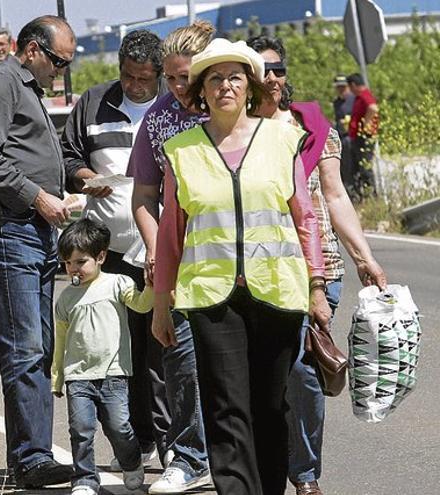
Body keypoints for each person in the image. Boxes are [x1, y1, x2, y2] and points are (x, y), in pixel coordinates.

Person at [151, 38, 332, 495]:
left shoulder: (281, 138)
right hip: (212, 297)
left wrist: (315, 286)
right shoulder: (182, 150)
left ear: (249, 86)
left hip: (276, 290)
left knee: (271, 408)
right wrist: (161, 303)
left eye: (234, 77)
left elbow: (304, 216)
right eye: (214, 78)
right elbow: (172, 232)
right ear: (201, 91)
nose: (225, 86)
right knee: (225, 407)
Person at [249, 35, 388, 495]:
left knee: (305, 376)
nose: (273, 77)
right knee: (265, 376)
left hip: (319, 266)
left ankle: (304, 473)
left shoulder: (311, 125)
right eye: (262, 68)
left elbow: (335, 195)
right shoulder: (235, 130)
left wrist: (363, 256)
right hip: (257, 269)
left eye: (279, 68)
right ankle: (261, 465)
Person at [0, 15, 76, 488]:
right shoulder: (1, 82)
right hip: (11, 227)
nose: (61, 71)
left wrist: (65, 189)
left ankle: (30, 455)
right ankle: (31, 459)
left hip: (33, 227)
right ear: (32, 50)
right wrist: (37, 196)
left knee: (40, 347)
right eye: (58, 61)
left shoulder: (25, 86)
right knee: (26, 347)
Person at [61, 28, 167, 472]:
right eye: (128, 76)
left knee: (158, 349)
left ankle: (171, 443)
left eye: (144, 78)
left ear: (159, 75)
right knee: (119, 351)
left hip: (158, 244)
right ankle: (138, 439)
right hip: (109, 251)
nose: (135, 85)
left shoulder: (171, 107)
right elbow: (66, 155)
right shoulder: (92, 103)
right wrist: (86, 177)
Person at [127, 21, 214, 494]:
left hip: (235, 262)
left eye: (187, 77)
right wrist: (158, 251)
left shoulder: (230, 109)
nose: (179, 89)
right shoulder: (159, 118)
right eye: (171, 78)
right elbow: (144, 196)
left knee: (231, 365)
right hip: (180, 261)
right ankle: (189, 456)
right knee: (180, 361)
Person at [52, 218, 153, 495]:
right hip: (78, 377)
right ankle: (85, 480)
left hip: (113, 374)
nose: (74, 268)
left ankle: (131, 462)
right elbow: (61, 341)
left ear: (101, 257)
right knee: (81, 430)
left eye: (80, 262)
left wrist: (152, 286)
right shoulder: (66, 299)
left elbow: (143, 306)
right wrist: (58, 377)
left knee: (119, 426)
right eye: (68, 263)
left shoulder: (118, 283)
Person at [346, 73, 379, 197]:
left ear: (353, 85)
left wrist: (366, 124)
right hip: (358, 138)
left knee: (365, 168)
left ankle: (372, 196)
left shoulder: (365, 95)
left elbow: (373, 108)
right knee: (356, 169)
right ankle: (361, 196)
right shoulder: (359, 97)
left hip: (364, 138)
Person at [331, 74, 356, 194]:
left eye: (343, 87)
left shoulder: (354, 99)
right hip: (342, 138)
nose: (341, 89)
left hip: (353, 136)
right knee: (346, 167)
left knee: (356, 166)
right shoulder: (337, 103)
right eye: (338, 87)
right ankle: (351, 192)